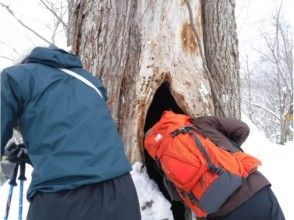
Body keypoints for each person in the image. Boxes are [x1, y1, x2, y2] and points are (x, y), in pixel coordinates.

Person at [1, 46, 141, 220]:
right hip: (120, 192)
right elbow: (78, 136)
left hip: (61, 196)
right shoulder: (89, 81)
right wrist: (30, 154)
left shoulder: (13, 77)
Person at [192, 116, 285, 220]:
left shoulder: (169, 157)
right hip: (253, 189)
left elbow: (179, 196)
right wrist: (232, 149)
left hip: (221, 211)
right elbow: (242, 129)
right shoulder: (200, 123)